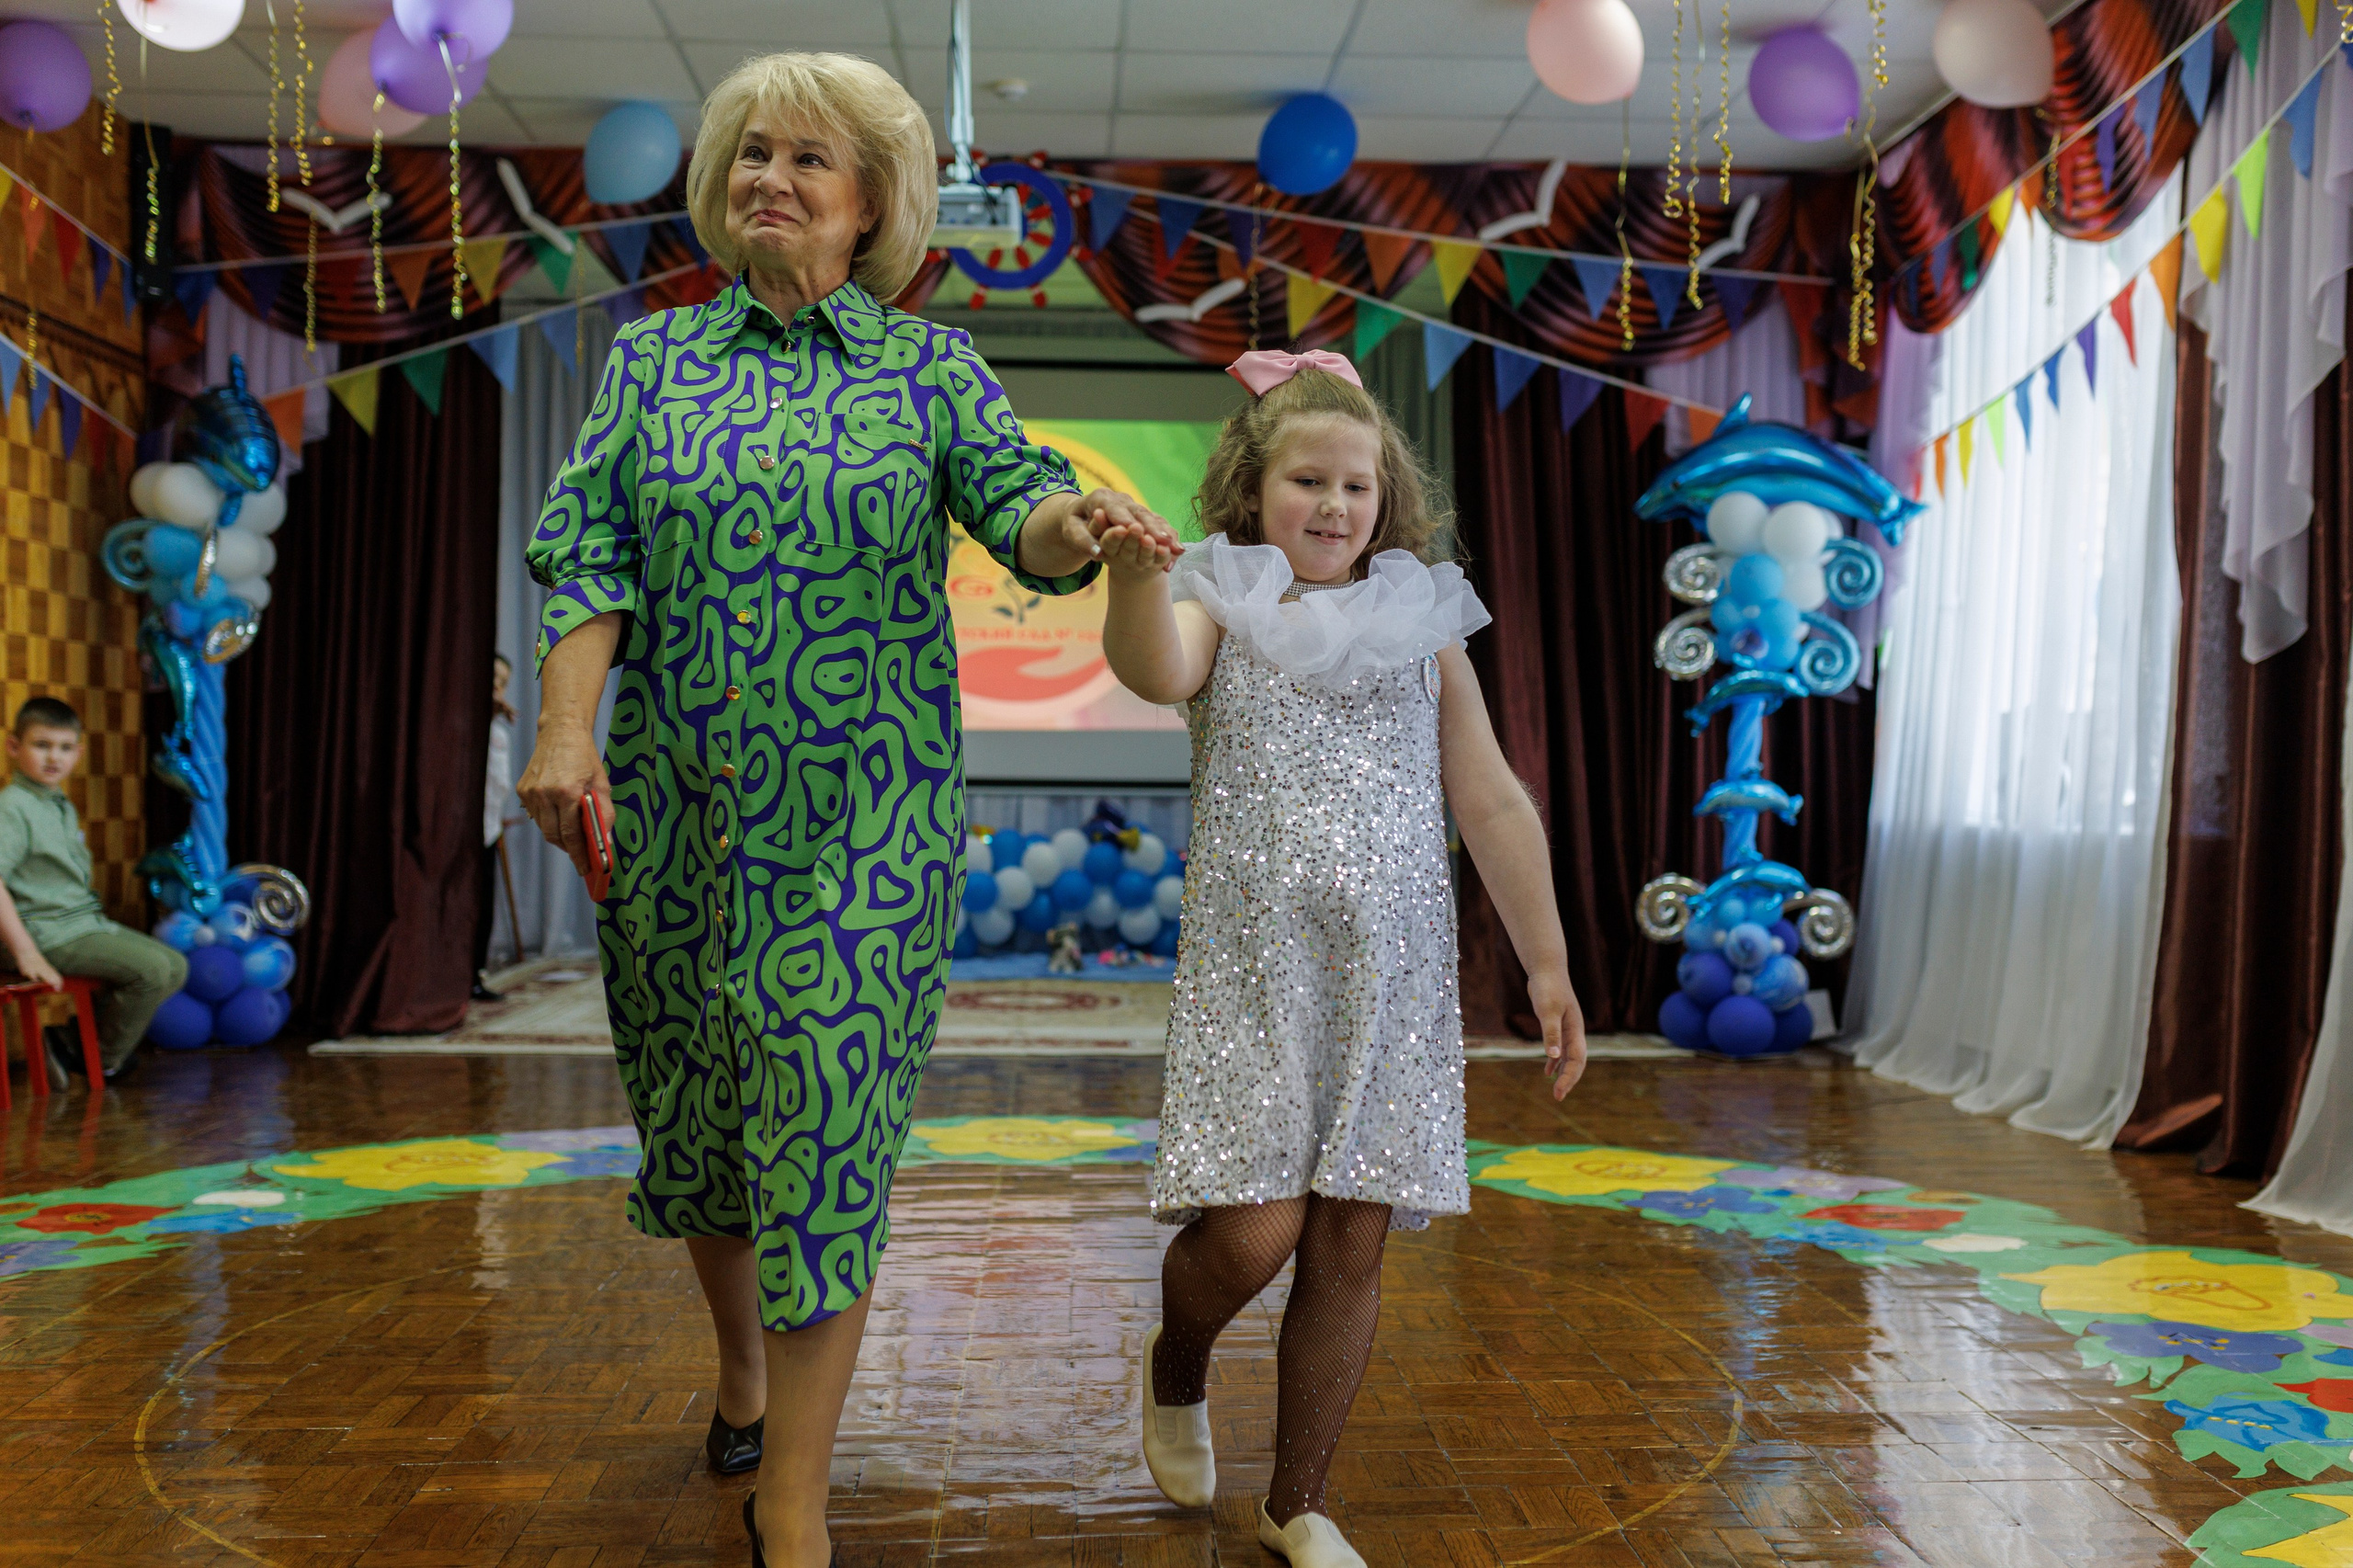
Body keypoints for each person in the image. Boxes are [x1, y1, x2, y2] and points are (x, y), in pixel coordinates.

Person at [514, 51, 1180, 1568]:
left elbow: (1022, 505)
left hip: (864, 831)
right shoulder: (653, 367)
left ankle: (793, 1502)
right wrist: (567, 733)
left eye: (807, 159)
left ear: (872, 201)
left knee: (820, 1121)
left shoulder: (932, 373)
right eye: (751, 154)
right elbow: (589, 556)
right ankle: (743, 1370)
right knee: (700, 1128)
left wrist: (1084, 524)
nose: (770, 178)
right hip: (674, 820)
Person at [1098, 350, 1586, 1568]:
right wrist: (1127, 579)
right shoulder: (1223, 600)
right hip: (1256, 970)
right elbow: (1153, 667)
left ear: (1388, 498)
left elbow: (1491, 801)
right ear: (1254, 491)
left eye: (1356, 486)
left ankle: (1296, 1498)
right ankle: (1178, 1359)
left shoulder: (1421, 623)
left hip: (1394, 979)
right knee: (1255, 1231)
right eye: (1305, 479)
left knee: (1351, 1238)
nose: (1332, 504)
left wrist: (1548, 963)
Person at [0, 697, 189, 1088]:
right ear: (14, 747)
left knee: (175, 966)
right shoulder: (13, 807)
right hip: (42, 931)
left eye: (65, 748)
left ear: (79, 753)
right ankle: (96, 1058)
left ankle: (70, 1043)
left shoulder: (57, 803)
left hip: (79, 924)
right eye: (41, 745)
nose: (54, 758)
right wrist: (24, 951)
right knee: (151, 972)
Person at [473, 653, 517, 1001]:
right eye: (493, 682)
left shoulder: (500, 729)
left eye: (503, 684)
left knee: (484, 905)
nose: (499, 692)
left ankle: (476, 973)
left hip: (489, 827)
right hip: (467, 830)